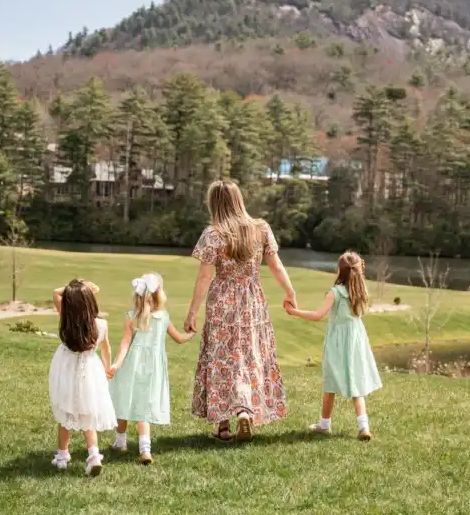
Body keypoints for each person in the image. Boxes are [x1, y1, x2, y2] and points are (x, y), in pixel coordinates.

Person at [185, 180, 295, 442]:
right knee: (250, 354)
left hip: (222, 301)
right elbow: (276, 265)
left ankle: (223, 427)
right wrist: (290, 292)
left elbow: (204, 277)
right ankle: (246, 411)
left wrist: (192, 312)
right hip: (252, 302)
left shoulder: (213, 234)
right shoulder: (261, 228)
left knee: (221, 358)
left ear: (214, 204)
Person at [283, 251, 382, 441]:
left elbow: (318, 315)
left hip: (338, 343)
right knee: (356, 384)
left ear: (339, 270)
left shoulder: (335, 292)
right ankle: (363, 426)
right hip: (355, 342)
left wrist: (294, 311)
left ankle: (324, 424)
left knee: (330, 383)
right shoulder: (360, 292)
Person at [107, 273, 195, 464]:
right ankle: (145, 450)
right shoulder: (163, 317)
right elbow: (179, 339)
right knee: (143, 407)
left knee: (124, 401)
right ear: (159, 294)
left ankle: (120, 442)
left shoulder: (131, 316)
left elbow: (124, 344)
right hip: (153, 368)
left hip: (131, 365)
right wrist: (191, 334)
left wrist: (116, 364)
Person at [49, 279, 117, 475]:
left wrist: (76, 287)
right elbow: (106, 349)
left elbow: (56, 292)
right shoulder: (101, 325)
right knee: (87, 414)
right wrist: (107, 369)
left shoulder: (66, 318)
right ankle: (94, 455)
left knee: (65, 411)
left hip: (66, 369)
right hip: (90, 372)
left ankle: (62, 456)